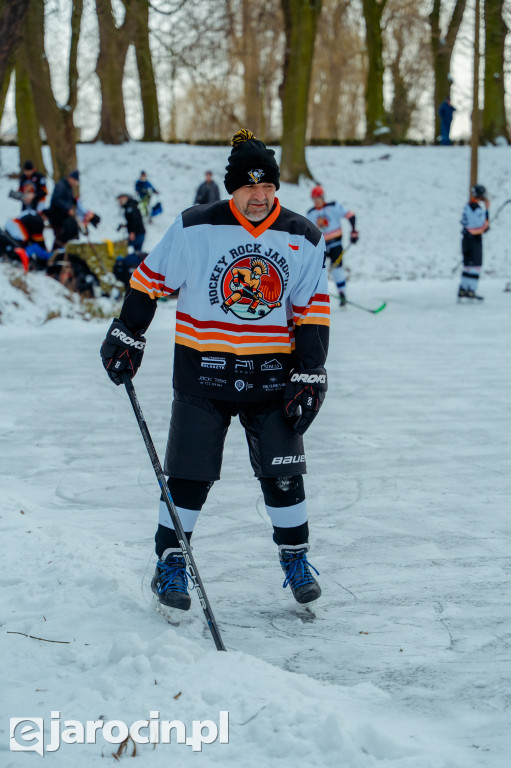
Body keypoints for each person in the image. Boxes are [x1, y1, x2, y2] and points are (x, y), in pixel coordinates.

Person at [101, 128, 330, 612]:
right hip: (203, 371)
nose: (259, 196)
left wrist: (310, 372)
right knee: (188, 476)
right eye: (249, 187)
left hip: (272, 377)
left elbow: (311, 309)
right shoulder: (193, 227)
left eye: (267, 187)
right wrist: (128, 332)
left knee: (284, 474)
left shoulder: (302, 235)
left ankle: (295, 556)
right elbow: (147, 283)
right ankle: (171, 561)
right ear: (232, 188)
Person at [306, 185, 358, 307]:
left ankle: (342, 294)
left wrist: (354, 231)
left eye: (318, 198)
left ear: (323, 197)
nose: (317, 201)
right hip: (320, 245)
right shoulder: (311, 213)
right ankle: (314, 296)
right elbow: (307, 231)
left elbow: (351, 215)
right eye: (314, 199)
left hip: (335, 243)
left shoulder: (334, 206)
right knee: (317, 270)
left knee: (336, 268)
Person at [46, 170, 100, 251]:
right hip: (57, 217)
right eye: (75, 181)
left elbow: (69, 200)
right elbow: (56, 200)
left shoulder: (68, 188)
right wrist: (67, 209)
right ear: (71, 178)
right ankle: (53, 256)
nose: (75, 184)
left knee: (65, 236)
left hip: (64, 218)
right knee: (60, 238)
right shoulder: (61, 186)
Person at [458, 184, 489, 301]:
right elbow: (483, 226)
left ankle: (463, 289)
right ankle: (471, 290)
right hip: (474, 240)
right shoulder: (476, 209)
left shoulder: (467, 206)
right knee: (475, 266)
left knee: (467, 266)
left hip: (466, 239)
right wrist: (487, 210)